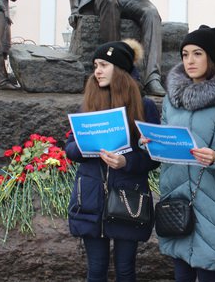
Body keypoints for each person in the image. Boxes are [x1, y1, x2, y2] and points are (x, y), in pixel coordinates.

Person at [66, 39, 160, 282]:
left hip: (128, 199)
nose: (97, 70)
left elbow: (153, 158)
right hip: (91, 199)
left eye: (104, 65)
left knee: (125, 269)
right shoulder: (88, 105)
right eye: (96, 65)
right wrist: (88, 147)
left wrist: (125, 162)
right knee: (96, 270)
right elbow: (69, 149)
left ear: (119, 69)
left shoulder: (145, 106)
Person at [158, 25, 215, 281]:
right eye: (185, 54)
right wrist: (149, 143)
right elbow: (165, 145)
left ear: (211, 57)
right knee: (181, 274)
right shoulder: (171, 100)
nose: (190, 61)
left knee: (209, 274)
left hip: (213, 205)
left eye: (197, 53)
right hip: (177, 200)